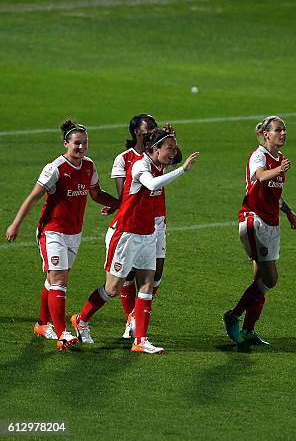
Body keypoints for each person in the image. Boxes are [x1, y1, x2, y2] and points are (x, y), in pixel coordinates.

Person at [71, 124, 199, 354]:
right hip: (126, 234)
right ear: (155, 148)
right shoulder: (141, 165)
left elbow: (173, 160)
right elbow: (150, 184)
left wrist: (173, 143)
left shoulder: (159, 164)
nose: (172, 153)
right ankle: (81, 319)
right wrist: (183, 170)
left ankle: (140, 339)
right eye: (169, 148)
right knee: (112, 288)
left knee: (147, 283)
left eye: (173, 149)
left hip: (147, 233)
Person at [5, 119, 120, 350]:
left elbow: (96, 194)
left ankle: (42, 323)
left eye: (84, 143)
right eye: (77, 143)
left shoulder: (88, 166)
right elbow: (34, 197)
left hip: (74, 233)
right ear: (66, 143)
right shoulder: (55, 168)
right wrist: (15, 225)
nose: (81, 147)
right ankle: (62, 334)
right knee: (59, 280)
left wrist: (119, 204)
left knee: (53, 280)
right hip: (52, 231)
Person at [223, 116, 296, 346]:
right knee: (271, 278)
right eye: (278, 130)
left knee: (260, 280)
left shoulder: (280, 159)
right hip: (253, 221)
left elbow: (274, 193)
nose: (283, 133)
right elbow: (260, 176)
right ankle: (234, 315)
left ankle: (248, 330)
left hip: (272, 223)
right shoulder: (259, 156)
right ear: (266, 134)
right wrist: (278, 169)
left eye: (285, 129)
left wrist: (289, 212)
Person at [108, 114, 182, 339]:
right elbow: (124, 195)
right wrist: (113, 206)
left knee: (155, 275)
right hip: (132, 224)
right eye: (147, 128)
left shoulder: (159, 157)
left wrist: (171, 141)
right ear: (136, 132)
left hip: (157, 222)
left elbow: (176, 159)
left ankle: (134, 318)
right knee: (128, 276)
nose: (152, 129)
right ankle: (131, 321)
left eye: (154, 127)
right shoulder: (125, 159)